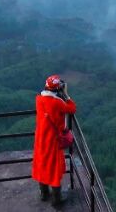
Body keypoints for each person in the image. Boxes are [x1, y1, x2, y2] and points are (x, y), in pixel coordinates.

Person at [32, 74, 76, 207]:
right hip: (53, 140)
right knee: (54, 167)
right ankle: (57, 200)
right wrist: (66, 95)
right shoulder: (57, 103)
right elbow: (72, 108)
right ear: (57, 89)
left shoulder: (39, 99)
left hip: (40, 137)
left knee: (42, 163)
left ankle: (44, 193)